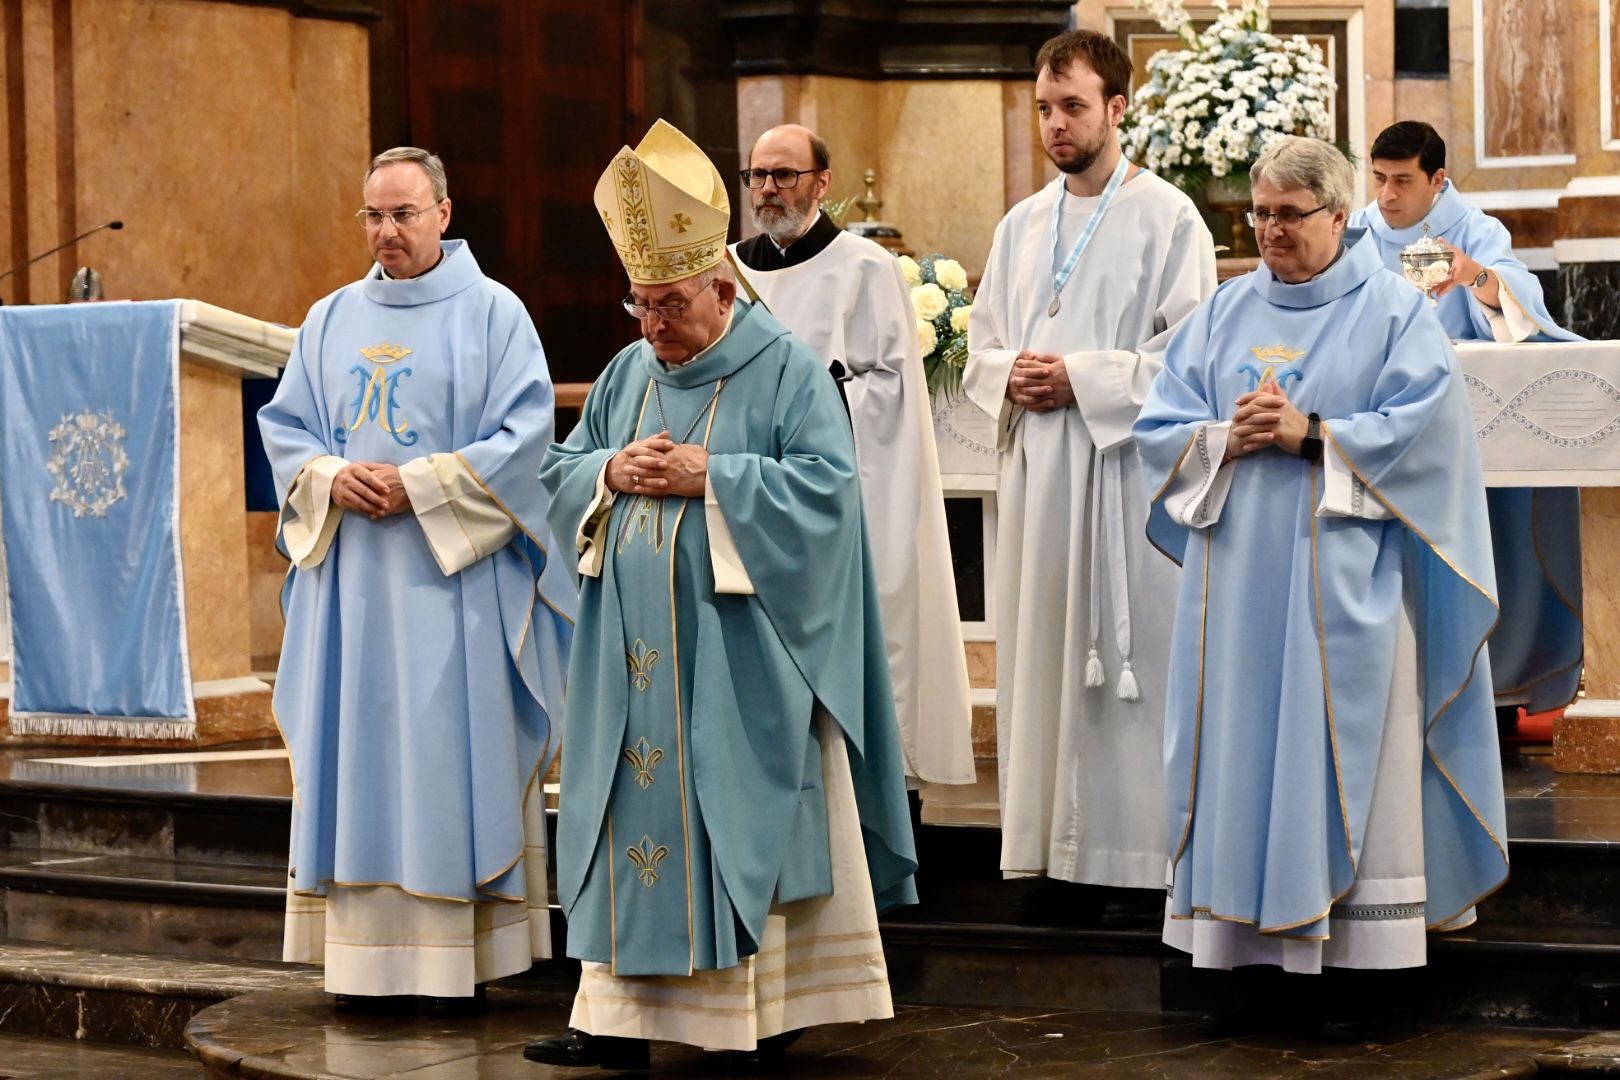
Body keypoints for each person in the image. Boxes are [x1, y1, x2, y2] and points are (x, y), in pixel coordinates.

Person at [525, 119, 916, 1072]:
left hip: (737, 661)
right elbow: (561, 470)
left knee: (731, 819)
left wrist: (718, 477)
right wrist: (611, 469)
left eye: (671, 304)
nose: (653, 326)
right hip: (630, 663)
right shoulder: (627, 372)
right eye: (640, 304)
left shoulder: (786, 370)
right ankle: (613, 1020)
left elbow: (829, 495)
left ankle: (746, 1019)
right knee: (624, 816)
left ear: (723, 289)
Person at [1135, 136, 1508, 977]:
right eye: (1260, 214)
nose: (1270, 230)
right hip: (1233, 589)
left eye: (1289, 215)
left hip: (1344, 582)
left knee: (1336, 749)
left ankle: (1358, 958)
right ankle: (1235, 946)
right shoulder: (1223, 312)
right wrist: (1223, 437)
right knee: (1237, 747)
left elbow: (1430, 434)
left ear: (1339, 216)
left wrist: (1313, 436)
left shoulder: (1394, 311)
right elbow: (1158, 430)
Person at [259, 147, 574, 1007]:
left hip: (452, 586)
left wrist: (422, 486)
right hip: (351, 589)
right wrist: (329, 477)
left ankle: (454, 960)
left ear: (443, 212)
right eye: (373, 215)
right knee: (355, 750)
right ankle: (360, 960)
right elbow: (287, 428)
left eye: (402, 214)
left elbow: (526, 438)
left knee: (444, 754)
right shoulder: (328, 317)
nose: (386, 231)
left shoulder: (494, 314)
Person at [963, 30, 1216, 896]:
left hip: (1120, 477)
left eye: (1073, 106)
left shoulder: (1169, 216)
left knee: (1124, 665)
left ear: (1117, 108)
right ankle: (1041, 850)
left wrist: (1086, 377)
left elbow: (1192, 355)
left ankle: (1132, 858)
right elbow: (981, 346)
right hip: (1039, 473)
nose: (1055, 125)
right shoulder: (1022, 224)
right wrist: (1011, 374)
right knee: (1040, 654)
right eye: (1044, 108)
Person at [731, 122, 975, 787]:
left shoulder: (866, 268)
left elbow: (894, 390)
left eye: (785, 175)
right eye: (758, 175)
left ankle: (872, 801)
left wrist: (811, 400)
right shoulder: (729, 271)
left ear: (822, 184)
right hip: (749, 497)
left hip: (837, 495)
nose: (769, 189)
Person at [1351, 120, 1582, 753]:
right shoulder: (1356, 236)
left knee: (1484, 544)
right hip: (1381, 423)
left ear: (1438, 180)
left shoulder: (1475, 230)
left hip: (1464, 423)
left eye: (1403, 181)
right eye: (1380, 179)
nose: (1387, 195)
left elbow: (1520, 305)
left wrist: (1474, 275)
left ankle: (1494, 694)